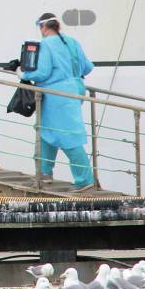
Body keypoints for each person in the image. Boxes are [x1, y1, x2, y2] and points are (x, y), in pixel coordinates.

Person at [20, 13, 95, 192]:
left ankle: (84, 180)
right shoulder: (72, 41)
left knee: (68, 135)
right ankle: (44, 172)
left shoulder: (46, 44)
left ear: (43, 28)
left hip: (56, 95)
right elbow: (88, 67)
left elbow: (43, 72)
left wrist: (23, 73)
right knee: (46, 131)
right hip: (75, 88)